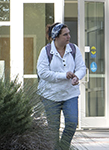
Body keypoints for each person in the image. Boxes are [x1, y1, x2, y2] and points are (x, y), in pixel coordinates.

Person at [37, 22, 87, 150]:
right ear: (56, 37)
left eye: (69, 33)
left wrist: (77, 76)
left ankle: (62, 148)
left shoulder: (74, 49)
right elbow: (43, 73)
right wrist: (64, 75)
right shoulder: (46, 51)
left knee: (71, 123)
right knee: (53, 129)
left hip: (70, 94)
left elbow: (81, 68)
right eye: (65, 34)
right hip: (50, 95)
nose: (69, 36)